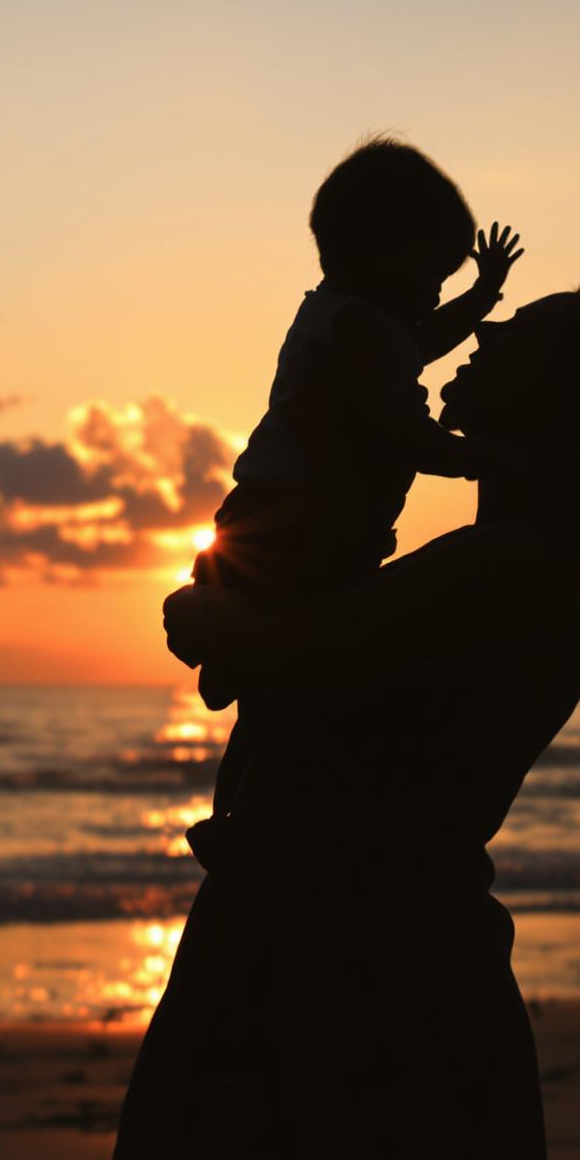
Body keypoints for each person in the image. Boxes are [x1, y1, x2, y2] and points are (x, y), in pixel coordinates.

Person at [99, 282, 580, 1160]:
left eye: (520, 333)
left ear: (560, 403)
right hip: (361, 960)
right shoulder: (518, 566)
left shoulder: (513, 570)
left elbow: (273, 659)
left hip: (344, 985)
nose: (487, 329)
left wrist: (216, 615)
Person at [195, 135, 522, 818]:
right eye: (431, 274)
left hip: (288, 524)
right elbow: (404, 431)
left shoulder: (347, 320)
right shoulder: (357, 333)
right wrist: (481, 457)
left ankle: (239, 793)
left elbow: (424, 339)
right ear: (383, 254)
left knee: (275, 702)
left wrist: (480, 294)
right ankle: (243, 809)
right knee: (290, 699)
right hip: (302, 532)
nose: (435, 291)